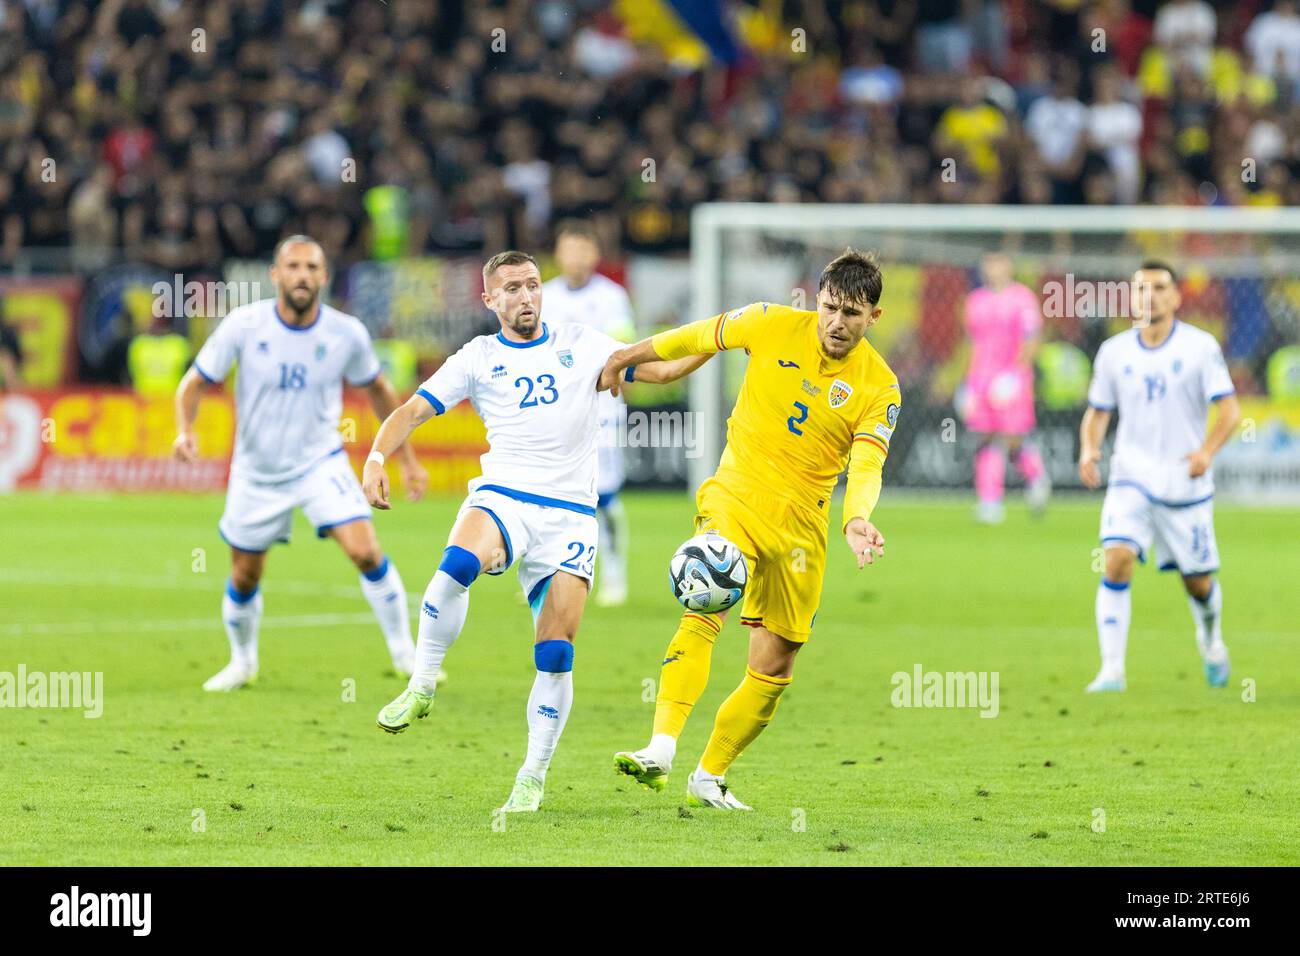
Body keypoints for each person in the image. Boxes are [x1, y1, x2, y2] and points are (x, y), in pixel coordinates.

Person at [363, 251, 707, 812]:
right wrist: (376, 458)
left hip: (571, 514)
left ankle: (531, 777)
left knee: (555, 652)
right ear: (490, 300)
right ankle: (422, 684)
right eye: (512, 289)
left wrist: (715, 340)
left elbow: (661, 369)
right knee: (456, 567)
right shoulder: (478, 357)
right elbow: (411, 412)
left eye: (531, 286)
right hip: (504, 496)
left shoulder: (585, 343)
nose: (525, 296)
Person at [600, 249, 898, 810]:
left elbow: (867, 465)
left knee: (775, 665)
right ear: (816, 299)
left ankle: (708, 774)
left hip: (802, 526)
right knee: (704, 597)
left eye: (853, 314)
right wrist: (625, 356)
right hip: (736, 494)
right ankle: (660, 747)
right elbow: (692, 338)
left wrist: (857, 517)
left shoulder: (881, 387)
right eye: (831, 307)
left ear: (873, 318)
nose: (837, 323)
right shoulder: (769, 322)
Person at [173, 235, 429, 691]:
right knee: (245, 573)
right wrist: (185, 430)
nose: (302, 276)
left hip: (320, 463)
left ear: (324, 277)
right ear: (275, 274)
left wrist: (405, 459)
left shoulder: (345, 332)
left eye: (312, 268)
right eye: (293, 267)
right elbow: (193, 383)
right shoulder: (244, 325)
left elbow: (380, 393)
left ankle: (406, 655)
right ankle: (243, 662)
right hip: (257, 471)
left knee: (366, 551)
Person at [1078, 260, 1241, 692]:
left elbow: (1230, 411)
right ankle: (1111, 670)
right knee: (1116, 559)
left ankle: (1211, 641)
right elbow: (1097, 413)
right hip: (1130, 477)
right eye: (1141, 289)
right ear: (1132, 297)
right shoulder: (1114, 352)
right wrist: (1089, 448)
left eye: (1159, 288)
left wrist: (1206, 451)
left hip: (1184, 484)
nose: (1148, 296)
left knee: (1198, 583)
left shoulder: (1200, 348)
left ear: (1175, 296)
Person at [540, 220, 636, 605]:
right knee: (552, 493)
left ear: (595, 254)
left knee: (604, 495)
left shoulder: (611, 296)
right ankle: (552, 570)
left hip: (603, 409)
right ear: (558, 254)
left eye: (584, 249)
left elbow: (625, 349)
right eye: (569, 249)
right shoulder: (544, 296)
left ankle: (613, 571)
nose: (577, 257)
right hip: (556, 411)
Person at [960, 251, 1051, 523]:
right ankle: (990, 501)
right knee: (986, 436)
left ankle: (1036, 477)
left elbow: (1031, 339)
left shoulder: (1022, 298)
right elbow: (971, 345)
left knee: (1012, 438)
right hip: (982, 378)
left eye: (998, 263)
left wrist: (1014, 375)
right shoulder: (975, 301)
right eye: (989, 263)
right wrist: (967, 382)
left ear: (1008, 265)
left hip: (1013, 377)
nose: (993, 269)